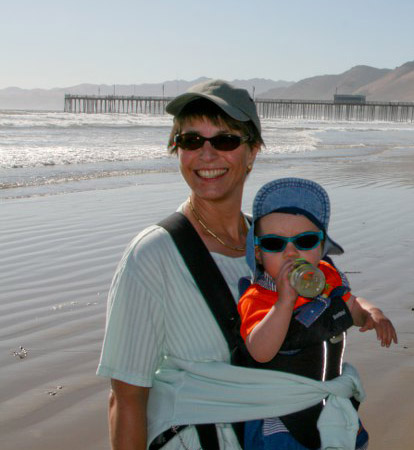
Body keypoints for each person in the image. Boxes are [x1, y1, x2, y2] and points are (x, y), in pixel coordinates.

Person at [97, 80, 388, 450]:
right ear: (177, 150)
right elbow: (126, 397)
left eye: (225, 140)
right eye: (191, 140)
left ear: (252, 152)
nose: (206, 154)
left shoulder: (281, 244)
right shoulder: (152, 256)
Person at [238, 178, 398, 449]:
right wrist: (284, 303)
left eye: (305, 240)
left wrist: (372, 314)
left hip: (330, 408)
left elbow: (350, 305)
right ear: (259, 254)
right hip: (281, 421)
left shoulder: (327, 279)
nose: (291, 253)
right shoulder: (258, 298)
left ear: (321, 248)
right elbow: (260, 351)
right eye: (276, 244)